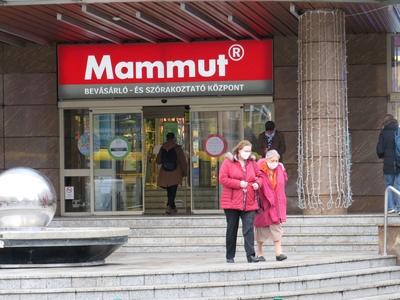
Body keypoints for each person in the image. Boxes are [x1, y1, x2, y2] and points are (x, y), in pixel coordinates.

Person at [219, 140, 263, 263]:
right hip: (231, 202)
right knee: (232, 229)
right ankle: (230, 256)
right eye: (245, 151)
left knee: (248, 229)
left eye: (249, 151)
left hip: (249, 201)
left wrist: (257, 184)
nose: (247, 153)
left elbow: (260, 176)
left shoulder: (252, 163)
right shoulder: (228, 162)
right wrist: (238, 184)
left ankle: (251, 255)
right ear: (239, 151)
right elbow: (223, 179)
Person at [254, 149, 288, 261]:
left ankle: (279, 253)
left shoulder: (279, 169)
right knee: (261, 228)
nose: (274, 162)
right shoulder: (259, 169)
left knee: (276, 227)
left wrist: (283, 170)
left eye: (276, 160)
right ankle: (259, 253)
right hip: (263, 204)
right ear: (267, 159)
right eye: (272, 160)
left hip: (276, 204)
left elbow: (284, 180)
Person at [156, 132, 187, 215]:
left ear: (166, 138)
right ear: (174, 138)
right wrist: (185, 172)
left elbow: (158, 161)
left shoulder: (162, 148)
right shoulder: (177, 148)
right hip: (175, 172)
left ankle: (173, 207)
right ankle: (169, 206)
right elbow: (183, 161)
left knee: (169, 191)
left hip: (164, 172)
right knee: (173, 190)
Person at [376, 114, 400, 214]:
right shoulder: (398, 130)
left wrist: (384, 155)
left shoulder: (383, 133)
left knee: (389, 185)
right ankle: (399, 207)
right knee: (399, 185)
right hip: (399, 162)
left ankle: (391, 207)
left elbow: (379, 150)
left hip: (388, 164)